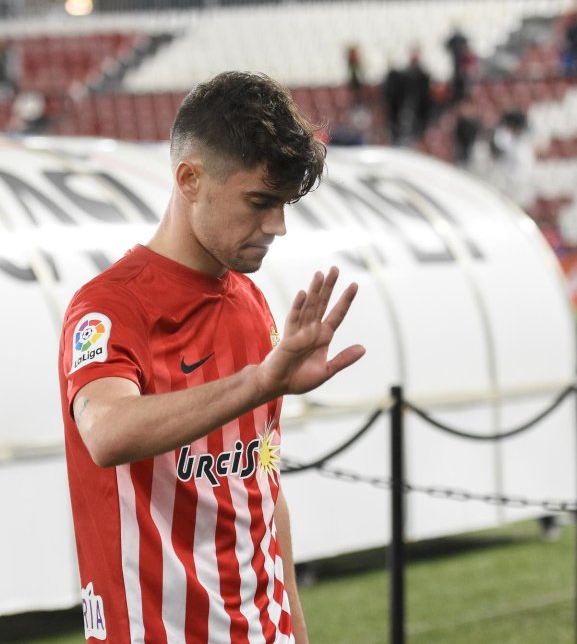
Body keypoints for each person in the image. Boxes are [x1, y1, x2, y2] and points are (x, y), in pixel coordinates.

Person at [57, 71, 365, 643]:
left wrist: (294, 631)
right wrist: (258, 383)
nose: (277, 225)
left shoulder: (251, 302)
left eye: (282, 204)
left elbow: (261, 490)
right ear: (189, 178)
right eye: (259, 202)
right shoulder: (108, 308)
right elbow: (106, 431)